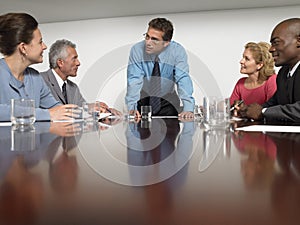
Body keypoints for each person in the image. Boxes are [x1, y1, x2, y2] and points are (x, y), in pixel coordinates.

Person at [0, 12, 78, 122]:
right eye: (40, 42)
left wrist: (90, 113)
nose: (45, 47)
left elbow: (57, 109)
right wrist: (46, 114)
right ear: (23, 48)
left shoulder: (35, 77)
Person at [125, 17, 195, 118]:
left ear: (166, 42)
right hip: (144, 99)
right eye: (147, 37)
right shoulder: (137, 50)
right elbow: (134, 80)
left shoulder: (177, 51)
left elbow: (183, 79)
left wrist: (188, 109)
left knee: (171, 130)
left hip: (168, 100)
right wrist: (132, 108)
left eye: (154, 39)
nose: (148, 43)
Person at [239, 18, 300, 122]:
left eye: (276, 43)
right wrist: (249, 111)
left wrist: (263, 112)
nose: (271, 49)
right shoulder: (283, 73)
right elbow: (274, 102)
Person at [41, 39, 122, 116]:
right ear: (60, 62)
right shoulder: (40, 80)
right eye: (74, 59)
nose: (78, 63)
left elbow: (82, 109)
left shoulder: (73, 87)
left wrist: (106, 111)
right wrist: (86, 108)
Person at [230, 42, 276, 106]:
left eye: (247, 59)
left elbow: (271, 109)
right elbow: (230, 107)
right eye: (243, 57)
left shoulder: (272, 80)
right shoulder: (240, 83)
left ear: (259, 65)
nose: (241, 61)